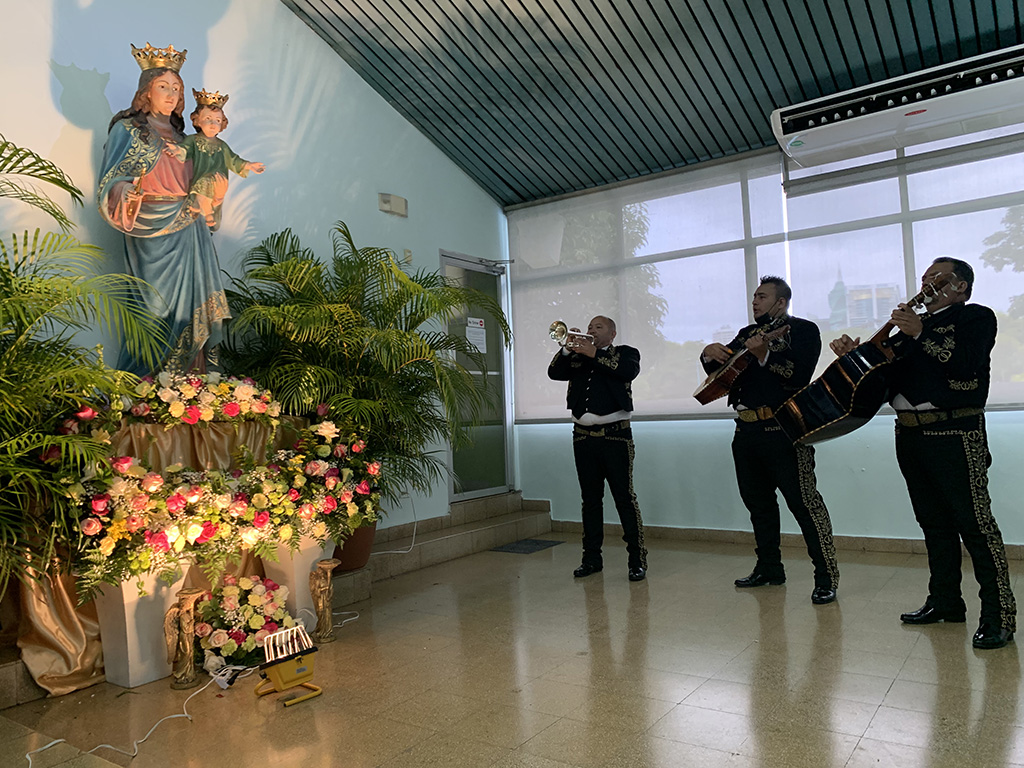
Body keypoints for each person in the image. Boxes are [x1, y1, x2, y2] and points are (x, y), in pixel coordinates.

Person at [831, 258, 1016, 649]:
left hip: (956, 431)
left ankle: (999, 614)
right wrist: (854, 358)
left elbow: (964, 364)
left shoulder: (976, 318)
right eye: (925, 278)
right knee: (933, 524)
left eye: (938, 278)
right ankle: (946, 601)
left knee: (976, 525)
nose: (927, 283)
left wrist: (919, 335)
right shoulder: (902, 333)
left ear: (960, 287)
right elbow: (881, 384)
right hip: (910, 436)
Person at [702, 277, 839, 604]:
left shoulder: (804, 330)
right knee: (758, 505)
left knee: (805, 504)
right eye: (754, 296)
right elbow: (721, 372)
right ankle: (769, 568)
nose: (755, 301)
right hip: (746, 431)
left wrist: (765, 356)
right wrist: (707, 354)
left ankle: (826, 576)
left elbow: (798, 375)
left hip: (784, 431)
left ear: (781, 302)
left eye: (762, 296)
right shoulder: (747, 334)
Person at [97, 43, 230, 375]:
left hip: (191, 230)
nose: (171, 94)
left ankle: (190, 386)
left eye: (177, 89)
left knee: (193, 307)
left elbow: (204, 186)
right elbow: (111, 178)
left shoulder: (187, 139)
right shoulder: (127, 131)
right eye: (163, 87)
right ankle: (145, 385)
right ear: (146, 92)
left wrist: (214, 188)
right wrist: (125, 189)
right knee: (154, 307)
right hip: (149, 230)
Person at [548, 316, 648, 581]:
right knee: (590, 501)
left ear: (612, 333)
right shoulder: (577, 357)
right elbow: (554, 373)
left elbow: (626, 372)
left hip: (616, 438)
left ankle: (637, 559)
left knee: (624, 498)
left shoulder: (626, 353)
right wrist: (568, 348)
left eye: (598, 327)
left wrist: (593, 353)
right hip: (582, 438)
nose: (591, 330)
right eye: (590, 327)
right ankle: (591, 558)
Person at [168, 90, 265, 231]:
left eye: (217, 121)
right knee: (202, 183)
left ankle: (203, 209)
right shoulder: (193, 140)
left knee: (206, 182)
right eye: (208, 119)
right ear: (197, 120)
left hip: (218, 180)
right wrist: (177, 150)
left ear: (222, 124)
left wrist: (249, 165)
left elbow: (234, 160)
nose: (213, 124)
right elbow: (185, 149)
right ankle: (206, 213)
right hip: (199, 181)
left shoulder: (222, 146)